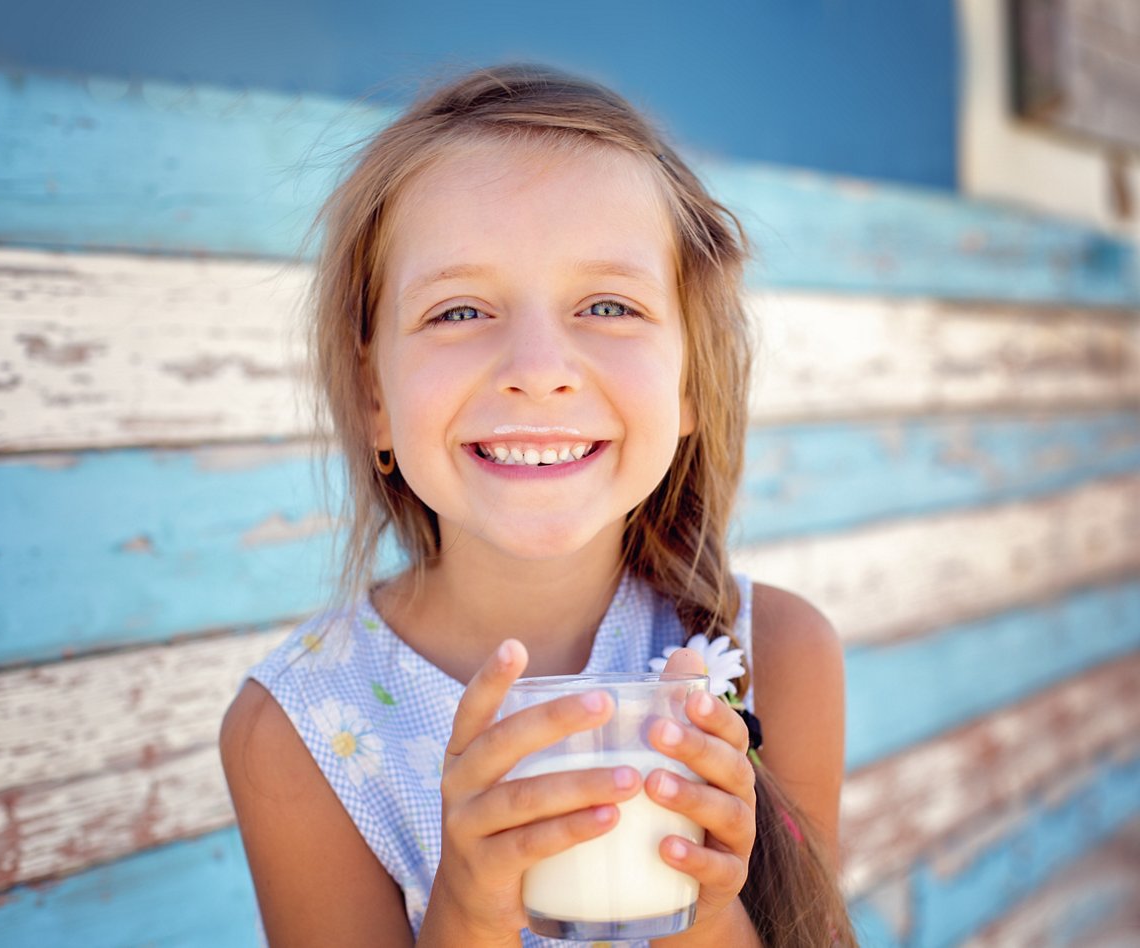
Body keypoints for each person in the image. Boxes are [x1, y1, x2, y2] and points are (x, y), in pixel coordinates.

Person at [220, 64, 854, 947]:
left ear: (688, 385)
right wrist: (469, 911)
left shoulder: (778, 656)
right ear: (374, 398)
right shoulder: (301, 732)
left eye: (607, 304)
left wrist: (706, 909)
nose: (538, 366)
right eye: (460, 310)